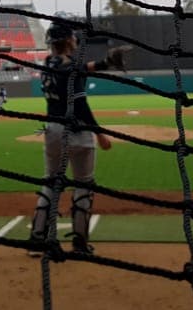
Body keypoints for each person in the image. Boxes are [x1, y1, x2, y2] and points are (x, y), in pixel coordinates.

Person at [28, 22, 128, 257]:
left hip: (52, 130)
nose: (76, 39)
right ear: (68, 40)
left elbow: (78, 69)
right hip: (77, 132)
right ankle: (80, 243)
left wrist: (105, 63)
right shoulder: (70, 66)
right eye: (73, 37)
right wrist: (100, 134)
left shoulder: (47, 64)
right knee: (83, 184)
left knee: (51, 183)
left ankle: (37, 240)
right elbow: (80, 104)